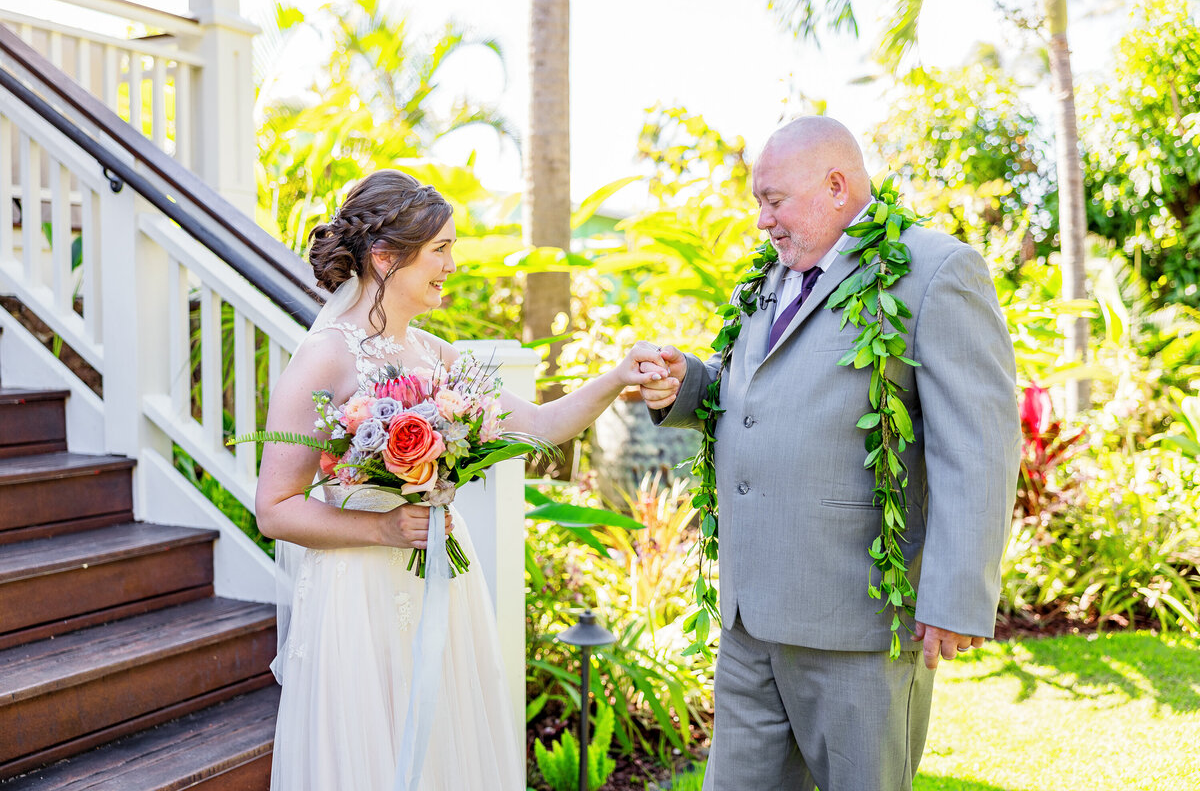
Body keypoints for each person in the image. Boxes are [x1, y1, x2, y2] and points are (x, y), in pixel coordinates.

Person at [638, 117, 1021, 791]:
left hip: (857, 623)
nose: (762, 221)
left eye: (773, 200)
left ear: (837, 186)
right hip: (751, 618)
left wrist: (957, 596)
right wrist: (688, 383)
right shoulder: (766, 279)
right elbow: (752, 400)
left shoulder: (934, 271)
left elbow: (980, 443)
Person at [254, 169, 665, 790]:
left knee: (443, 747)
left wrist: (615, 377)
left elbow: (542, 425)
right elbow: (275, 508)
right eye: (440, 249)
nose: (452, 263)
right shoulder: (324, 357)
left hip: (439, 576)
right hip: (358, 591)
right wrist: (384, 526)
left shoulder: (435, 355)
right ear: (386, 256)